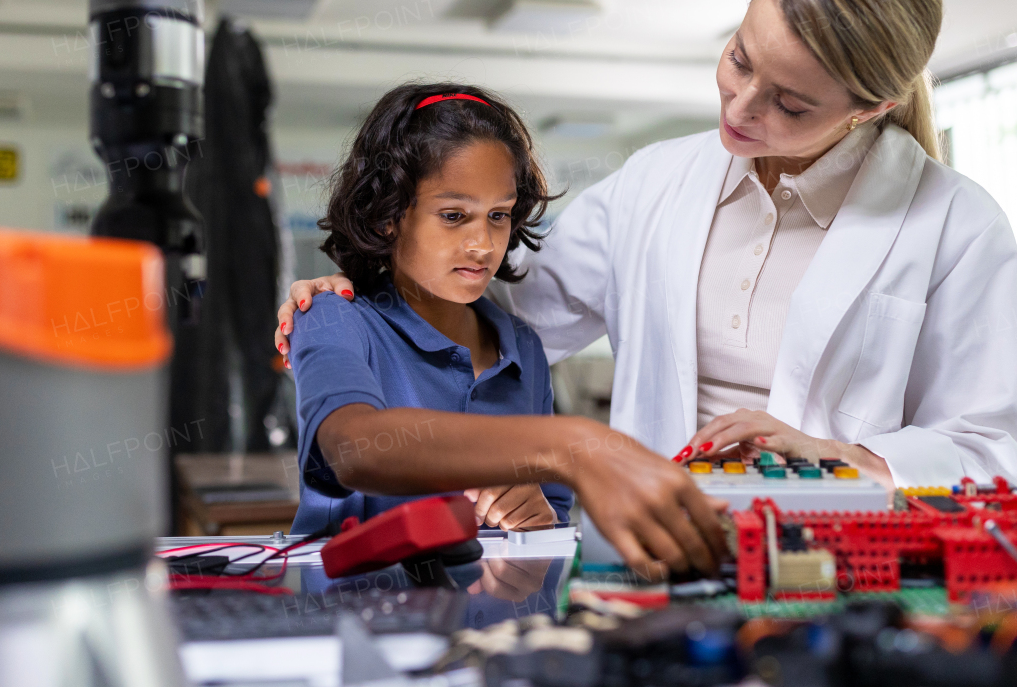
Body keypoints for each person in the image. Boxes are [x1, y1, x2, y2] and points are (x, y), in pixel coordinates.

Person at [275, 0, 1017, 492]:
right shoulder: (655, 182)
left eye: (790, 104)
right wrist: (357, 302)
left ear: (868, 109)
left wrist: (845, 456)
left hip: (834, 553)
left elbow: (990, 450)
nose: (740, 108)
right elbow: (502, 310)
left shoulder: (957, 225)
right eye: (739, 58)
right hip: (657, 540)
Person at [278, 82, 728, 579]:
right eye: (454, 216)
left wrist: (532, 523)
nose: (482, 243)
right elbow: (356, 448)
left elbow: (548, 525)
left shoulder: (523, 347)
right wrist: (568, 443)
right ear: (388, 219)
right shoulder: (331, 316)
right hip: (355, 616)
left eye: (498, 215)